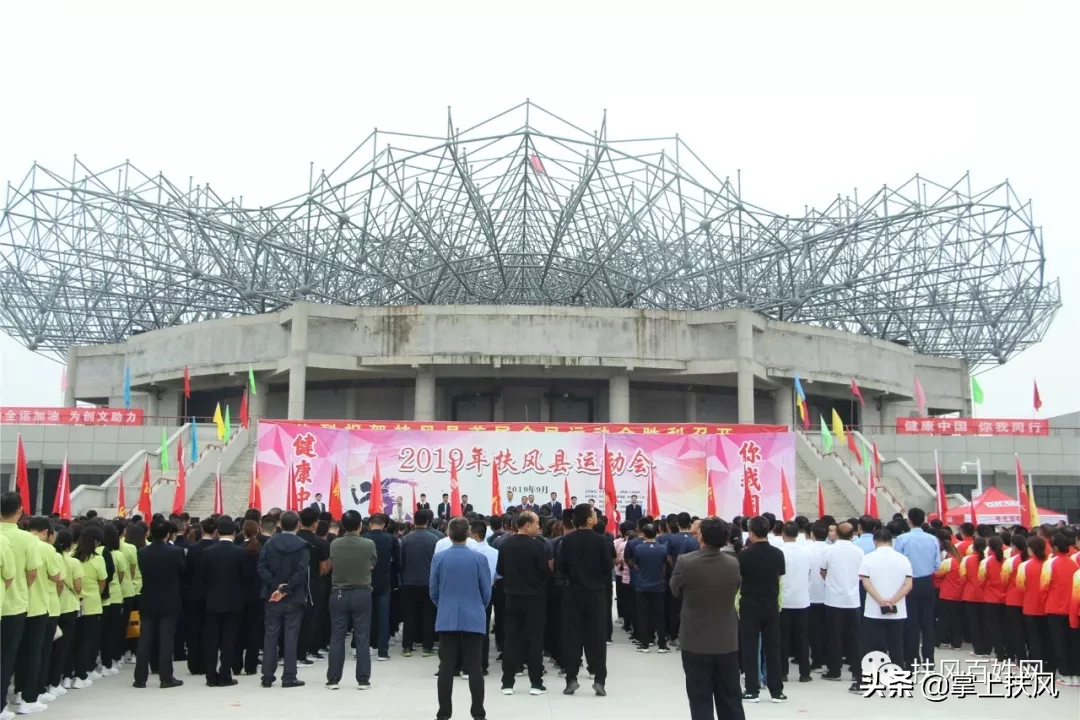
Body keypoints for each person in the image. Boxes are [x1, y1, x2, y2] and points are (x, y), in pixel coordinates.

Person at [670, 517, 744, 720]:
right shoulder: (733, 564)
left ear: (701, 536)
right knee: (730, 696)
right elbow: (735, 588)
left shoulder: (686, 562)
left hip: (695, 639)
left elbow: (675, 590)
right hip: (726, 639)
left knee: (699, 697)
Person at [430, 517, 491, 720]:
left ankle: (444, 713)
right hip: (473, 616)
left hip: (447, 616)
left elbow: (434, 591)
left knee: (446, 667)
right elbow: (486, 592)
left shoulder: (439, 558)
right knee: (475, 667)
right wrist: (476, 606)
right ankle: (478, 712)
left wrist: (445, 605)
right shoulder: (479, 559)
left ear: (448, 534)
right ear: (468, 534)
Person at [557, 503, 613, 697]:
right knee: (597, 636)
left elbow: (561, 567)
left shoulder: (567, 540)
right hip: (596, 594)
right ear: (589, 520)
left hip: (573, 594)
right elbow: (608, 568)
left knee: (572, 635)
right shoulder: (601, 541)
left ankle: (571, 678)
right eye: (594, 514)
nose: (596, 516)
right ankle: (599, 679)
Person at [496, 511, 550, 696]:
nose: (538, 527)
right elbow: (545, 572)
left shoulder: (505, 544)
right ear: (527, 525)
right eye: (536, 523)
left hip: (511, 597)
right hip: (534, 598)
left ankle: (507, 683)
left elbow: (500, 569)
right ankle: (536, 683)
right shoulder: (538, 546)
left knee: (511, 640)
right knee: (534, 640)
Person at [853, 529, 912, 694]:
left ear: (875, 541)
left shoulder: (868, 558)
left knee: (870, 647)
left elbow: (866, 583)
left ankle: (867, 680)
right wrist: (893, 600)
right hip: (898, 610)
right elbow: (908, 584)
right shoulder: (903, 559)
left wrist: (880, 600)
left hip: (873, 610)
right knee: (896, 646)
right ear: (891, 542)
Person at [1, 493, 43, 718]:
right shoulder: (28, 539)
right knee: (7, 656)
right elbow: (32, 573)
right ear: (19, 511)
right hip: (13, 606)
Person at [257, 510, 310, 688]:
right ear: (298, 524)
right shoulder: (303, 545)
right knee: (291, 636)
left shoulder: (270, 543)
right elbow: (302, 571)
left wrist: (276, 586)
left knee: (270, 635)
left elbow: (261, 567)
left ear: (280, 523)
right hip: (294, 597)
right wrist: (287, 587)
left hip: (272, 596)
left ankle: (267, 676)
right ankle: (289, 676)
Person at [325, 510, 377, 690]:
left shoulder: (334, 544)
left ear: (342, 526)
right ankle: (363, 678)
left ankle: (333, 678)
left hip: (338, 593)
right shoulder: (369, 544)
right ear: (360, 526)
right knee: (362, 636)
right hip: (362, 592)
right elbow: (373, 563)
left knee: (337, 636)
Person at [738, 515, 787, 703]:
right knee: (773, 647)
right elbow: (779, 578)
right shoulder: (778, 553)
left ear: (751, 533)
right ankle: (776, 691)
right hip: (771, 604)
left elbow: (740, 579)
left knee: (750, 647)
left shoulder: (744, 554)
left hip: (749, 603)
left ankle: (752, 690)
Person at [133, 519, 185, 689]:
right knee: (166, 640)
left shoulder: (142, 552)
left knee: (145, 639)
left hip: (148, 598)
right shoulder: (175, 552)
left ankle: (140, 678)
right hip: (169, 600)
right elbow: (181, 571)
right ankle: (166, 677)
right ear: (167, 534)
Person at [201, 518, 251, 687]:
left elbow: (203, 579)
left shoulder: (208, 552)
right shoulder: (240, 552)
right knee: (229, 640)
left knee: (212, 640)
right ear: (234, 532)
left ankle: (210, 675)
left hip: (212, 601)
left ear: (217, 532)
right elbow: (246, 578)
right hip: (234, 602)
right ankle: (225, 675)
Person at [820, 521, 863, 682]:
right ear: (853, 534)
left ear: (836, 533)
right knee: (854, 637)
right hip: (853, 599)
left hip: (833, 599)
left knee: (834, 636)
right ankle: (857, 671)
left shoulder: (829, 550)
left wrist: (831, 581)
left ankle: (834, 671)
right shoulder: (859, 551)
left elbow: (823, 571)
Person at [897, 507, 939, 667]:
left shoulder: (902, 539)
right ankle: (929, 659)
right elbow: (936, 564)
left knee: (911, 623)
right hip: (927, 582)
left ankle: (912, 659)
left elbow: (898, 563)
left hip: (909, 582)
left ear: (909, 521)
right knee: (928, 623)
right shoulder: (932, 539)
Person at [400, 508, 439, 657]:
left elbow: (401, 562)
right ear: (428, 522)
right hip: (428, 582)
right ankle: (427, 647)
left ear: (413, 521)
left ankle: (407, 647)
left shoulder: (405, 539)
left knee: (409, 614)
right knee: (428, 614)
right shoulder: (434, 539)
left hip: (408, 582)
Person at [295, 507, 330, 665]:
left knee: (292, 619)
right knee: (312, 619)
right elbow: (325, 568)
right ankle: (304, 652)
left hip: (292, 583)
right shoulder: (321, 543)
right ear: (315, 523)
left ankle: (286, 653)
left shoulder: (294, 539)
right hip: (314, 583)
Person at [779, 521, 812, 683]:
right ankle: (805, 673)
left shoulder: (780, 552)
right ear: (797, 535)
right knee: (803, 638)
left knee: (783, 638)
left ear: (783, 534)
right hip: (802, 600)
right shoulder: (805, 552)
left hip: (784, 600)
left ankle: (783, 672)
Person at [365, 514, 398, 661]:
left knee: (365, 616)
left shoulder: (363, 537)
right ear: (384, 525)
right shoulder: (391, 538)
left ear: (369, 524)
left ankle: (368, 646)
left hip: (365, 580)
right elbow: (398, 562)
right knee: (383, 616)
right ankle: (383, 651)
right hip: (385, 580)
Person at [631, 523, 669, 652]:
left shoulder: (638, 548)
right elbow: (664, 567)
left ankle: (645, 644)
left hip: (642, 586)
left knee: (643, 615)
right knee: (660, 615)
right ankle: (662, 645)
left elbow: (636, 566)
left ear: (643, 533)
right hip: (658, 585)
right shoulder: (663, 548)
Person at [469, 519, 498, 674]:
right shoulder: (495, 553)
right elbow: (498, 575)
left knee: (468, 629)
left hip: (470, 593)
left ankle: (469, 663)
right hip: (488, 592)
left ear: (474, 535)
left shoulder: (471, 552)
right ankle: (482, 664)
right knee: (484, 629)